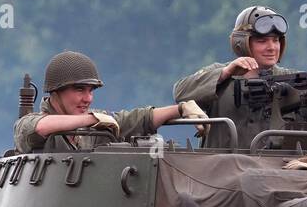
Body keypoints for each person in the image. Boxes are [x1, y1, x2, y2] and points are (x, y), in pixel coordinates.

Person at [172, 6, 307, 149]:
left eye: (275, 40)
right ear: (242, 43)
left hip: (274, 168)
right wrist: (225, 74)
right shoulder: (220, 74)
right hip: (223, 167)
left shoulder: (293, 80)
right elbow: (180, 92)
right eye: (262, 41)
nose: (272, 47)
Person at [15, 50, 204, 153]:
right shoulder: (27, 125)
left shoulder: (94, 126)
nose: (88, 98)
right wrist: (92, 119)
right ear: (56, 92)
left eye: (91, 91)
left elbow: (137, 120)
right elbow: (40, 126)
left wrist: (180, 109)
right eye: (80, 89)